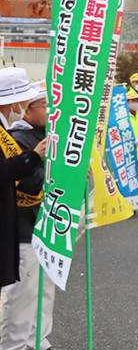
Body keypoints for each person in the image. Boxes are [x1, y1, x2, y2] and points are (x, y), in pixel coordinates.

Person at [1, 80, 55, 350]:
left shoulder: (45, 135)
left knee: (44, 290)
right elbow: (28, 182)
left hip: (46, 225)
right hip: (25, 227)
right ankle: (14, 345)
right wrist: (40, 161)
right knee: (23, 295)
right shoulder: (17, 138)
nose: (51, 110)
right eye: (46, 106)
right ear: (27, 110)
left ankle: (39, 340)